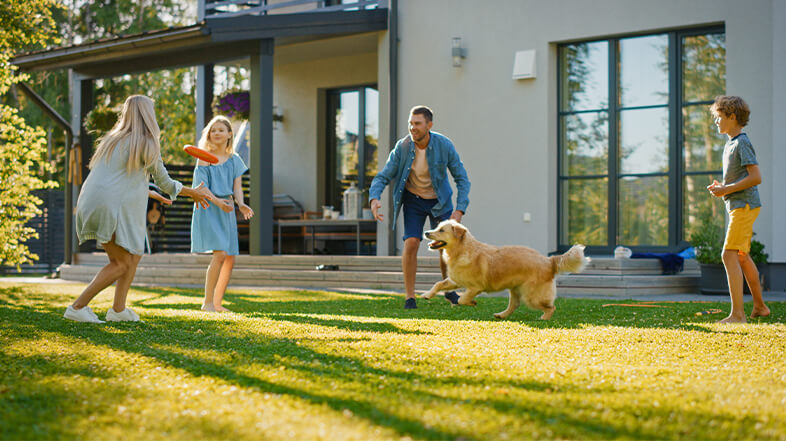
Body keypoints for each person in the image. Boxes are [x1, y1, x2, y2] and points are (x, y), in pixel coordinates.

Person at [64, 95, 214, 323]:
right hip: (109, 206)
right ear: (148, 115)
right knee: (121, 263)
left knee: (134, 255)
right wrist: (194, 192)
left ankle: (118, 310)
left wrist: (148, 191)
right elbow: (166, 182)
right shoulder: (147, 143)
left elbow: (116, 179)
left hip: (92, 201)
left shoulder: (112, 140)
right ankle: (77, 307)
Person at [369, 105, 471, 309]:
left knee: (446, 247)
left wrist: (459, 210)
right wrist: (374, 197)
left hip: (439, 201)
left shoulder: (444, 145)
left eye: (417, 124)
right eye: (410, 123)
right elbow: (384, 175)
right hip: (414, 200)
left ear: (429, 125)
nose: (412, 127)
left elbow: (462, 178)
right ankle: (410, 297)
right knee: (411, 243)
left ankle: (449, 290)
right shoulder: (403, 147)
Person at [707, 95, 770, 323]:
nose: (716, 122)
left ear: (732, 117)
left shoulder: (742, 142)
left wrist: (727, 189)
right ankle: (760, 307)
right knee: (742, 257)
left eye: (719, 118)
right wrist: (724, 188)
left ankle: (737, 314)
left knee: (728, 255)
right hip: (740, 205)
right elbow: (743, 177)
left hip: (744, 205)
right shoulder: (731, 143)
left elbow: (756, 177)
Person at [191, 115, 254, 312]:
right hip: (209, 207)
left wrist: (241, 204)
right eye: (213, 130)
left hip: (226, 209)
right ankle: (207, 303)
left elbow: (237, 187)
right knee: (220, 254)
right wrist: (218, 202)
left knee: (229, 258)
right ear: (208, 135)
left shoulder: (234, 159)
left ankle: (217, 304)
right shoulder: (203, 158)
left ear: (229, 134)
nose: (216, 133)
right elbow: (201, 188)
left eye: (220, 130)